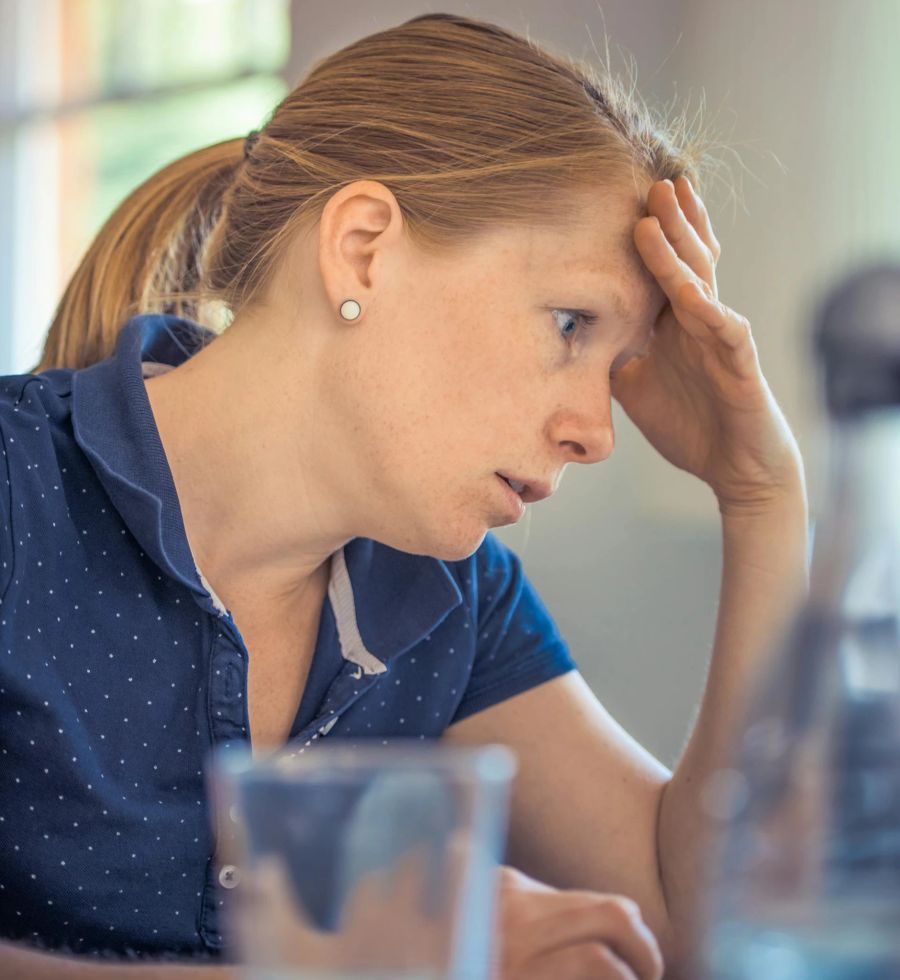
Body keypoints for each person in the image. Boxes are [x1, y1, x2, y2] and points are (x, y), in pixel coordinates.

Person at [0, 11, 808, 980]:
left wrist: (762, 495)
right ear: (363, 246)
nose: (597, 432)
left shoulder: (453, 600)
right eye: (569, 322)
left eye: (623, 363)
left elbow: (700, 927)